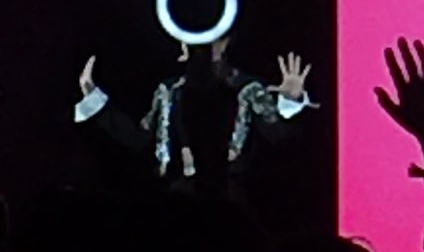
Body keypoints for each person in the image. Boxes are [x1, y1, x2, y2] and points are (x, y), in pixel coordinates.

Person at [75, 36, 312, 192]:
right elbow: (139, 138)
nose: (202, 46)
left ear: (225, 42)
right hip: (173, 199)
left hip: (226, 199)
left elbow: (279, 137)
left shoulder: (246, 89)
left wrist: (290, 103)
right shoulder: (168, 91)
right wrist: (95, 100)